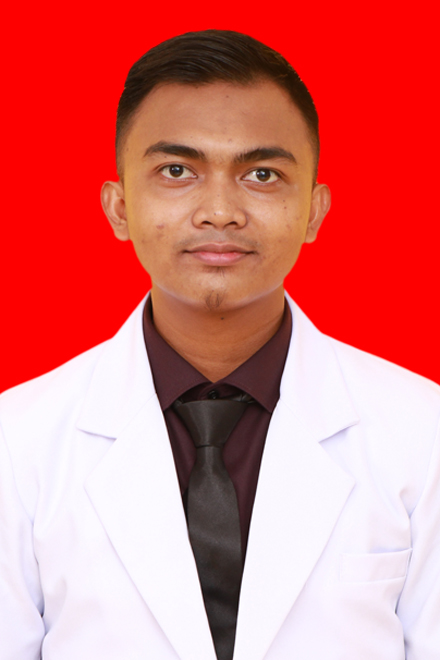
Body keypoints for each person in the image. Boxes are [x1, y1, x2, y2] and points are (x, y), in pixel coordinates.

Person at [0, 29, 439, 660]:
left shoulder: (423, 433)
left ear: (314, 211)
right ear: (119, 207)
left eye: (262, 174)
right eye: (177, 171)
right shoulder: (19, 441)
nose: (220, 211)